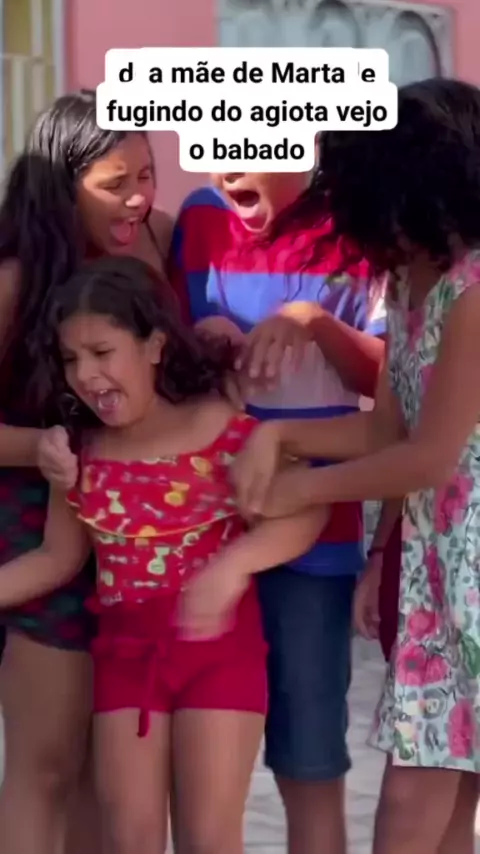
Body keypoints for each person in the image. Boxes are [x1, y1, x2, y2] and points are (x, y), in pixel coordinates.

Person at [0, 255, 324, 854]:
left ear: (154, 346)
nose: (86, 374)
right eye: (71, 359)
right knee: (130, 839)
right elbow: (56, 557)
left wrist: (234, 567)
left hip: (219, 653)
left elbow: (306, 508)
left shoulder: (221, 429)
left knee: (208, 839)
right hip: (124, 656)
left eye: (102, 352)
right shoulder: (80, 452)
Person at [233, 78, 480, 854]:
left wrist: (298, 487)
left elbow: (429, 457)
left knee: (414, 800)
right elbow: (384, 430)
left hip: (469, 577)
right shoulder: (406, 283)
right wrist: (281, 438)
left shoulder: (473, 291)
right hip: (438, 578)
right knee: (441, 801)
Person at [167, 170, 386, 854]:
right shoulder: (198, 218)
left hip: (317, 541)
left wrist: (312, 322)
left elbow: (392, 385)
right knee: (202, 778)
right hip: (200, 529)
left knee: (308, 766)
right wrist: (201, 342)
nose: (232, 161)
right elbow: (159, 360)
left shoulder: (356, 226)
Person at [0, 88, 173, 854]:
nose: (138, 197)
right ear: (62, 184)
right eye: (115, 183)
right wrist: (40, 448)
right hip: (33, 532)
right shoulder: (14, 280)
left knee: (102, 780)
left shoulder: (152, 244)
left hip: (121, 537)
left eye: (147, 175)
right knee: (44, 768)